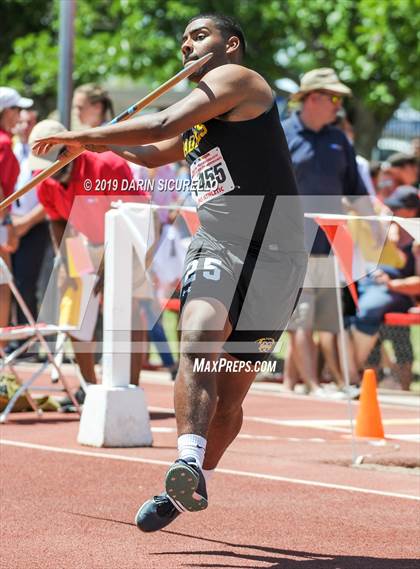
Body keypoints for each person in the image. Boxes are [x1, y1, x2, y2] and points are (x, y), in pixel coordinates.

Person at [32, 13, 307, 531]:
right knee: (200, 330)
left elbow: (161, 126)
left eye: (197, 36)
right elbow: (157, 151)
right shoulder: (201, 113)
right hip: (220, 241)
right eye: (183, 40)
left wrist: (86, 131)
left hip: (278, 254)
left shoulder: (238, 80)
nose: (187, 45)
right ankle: (185, 457)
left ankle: (187, 485)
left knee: (231, 398)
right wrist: (94, 145)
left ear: (231, 44)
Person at [29, 119, 145, 403]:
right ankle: (89, 388)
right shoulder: (45, 180)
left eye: (51, 163)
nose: (49, 174)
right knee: (75, 313)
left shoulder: (106, 165)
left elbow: (134, 217)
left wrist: (110, 267)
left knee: (127, 316)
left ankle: (130, 390)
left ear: (67, 151)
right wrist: (70, 262)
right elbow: (57, 221)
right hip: (83, 243)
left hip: (128, 240)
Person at [281, 68, 374, 396]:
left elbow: (358, 192)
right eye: (334, 98)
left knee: (328, 321)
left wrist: (375, 229)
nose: (339, 106)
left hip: (331, 244)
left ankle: (332, 383)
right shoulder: (282, 134)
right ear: (313, 98)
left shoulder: (339, 140)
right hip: (291, 244)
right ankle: (311, 384)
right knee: (302, 319)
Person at [11, 109, 52, 328]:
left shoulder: (44, 153)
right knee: (9, 284)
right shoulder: (10, 149)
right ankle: (9, 339)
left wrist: (26, 223)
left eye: (31, 122)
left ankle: (28, 341)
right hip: (10, 225)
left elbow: (50, 197)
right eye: (22, 122)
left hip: (35, 226)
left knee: (28, 284)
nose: (26, 127)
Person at [0, 87, 33, 342]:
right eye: (16, 110)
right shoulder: (2, 143)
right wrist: (8, 222)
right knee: (3, 284)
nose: (20, 116)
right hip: (1, 220)